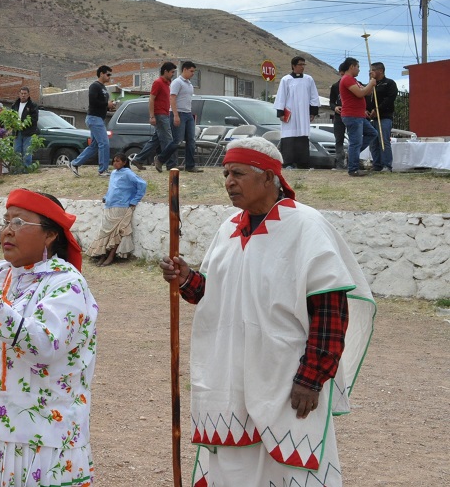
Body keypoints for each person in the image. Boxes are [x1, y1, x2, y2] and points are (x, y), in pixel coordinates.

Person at [160, 137, 375, 486]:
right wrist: (188, 279)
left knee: (289, 470)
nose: (228, 181)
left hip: (285, 380)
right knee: (233, 470)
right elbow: (218, 295)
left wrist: (312, 377)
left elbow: (330, 309)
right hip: (228, 380)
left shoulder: (306, 226)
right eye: (226, 173)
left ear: (269, 177)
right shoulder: (228, 228)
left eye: (238, 173)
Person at [0, 189, 97, 487]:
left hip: (41, 439)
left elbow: (46, 345)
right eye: (5, 221)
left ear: (50, 235)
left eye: (19, 222)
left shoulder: (67, 285)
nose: (7, 230)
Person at [86, 153, 147, 265]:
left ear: (124, 162)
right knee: (104, 232)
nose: (115, 163)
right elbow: (113, 188)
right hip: (109, 205)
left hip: (122, 206)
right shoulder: (113, 173)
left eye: (118, 161)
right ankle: (102, 255)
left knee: (117, 233)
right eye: (114, 161)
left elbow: (142, 184)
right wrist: (106, 197)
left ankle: (111, 256)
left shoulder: (128, 173)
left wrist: (134, 200)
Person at [69, 65, 116, 177]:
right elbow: (93, 101)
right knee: (104, 143)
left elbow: (101, 104)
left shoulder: (103, 88)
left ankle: (75, 163)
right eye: (107, 74)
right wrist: (106, 104)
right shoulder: (94, 86)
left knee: (94, 145)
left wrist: (110, 106)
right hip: (94, 118)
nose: (109, 77)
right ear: (101, 74)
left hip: (98, 119)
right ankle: (103, 170)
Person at [273, 56, 319, 169]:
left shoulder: (309, 79)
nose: (302, 67)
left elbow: (314, 96)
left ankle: (303, 163)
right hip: (290, 114)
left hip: (303, 113)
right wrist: (281, 113)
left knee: (303, 137)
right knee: (289, 137)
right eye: (300, 64)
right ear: (293, 66)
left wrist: (313, 112)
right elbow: (281, 97)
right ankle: (288, 163)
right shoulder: (286, 79)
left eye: (304, 64)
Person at [131, 62, 177, 172]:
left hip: (165, 114)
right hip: (160, 115)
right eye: (172, 72)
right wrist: (152, 116)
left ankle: (138, 159)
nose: (173, 74)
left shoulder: (167, 84)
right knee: (168, 140)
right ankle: (169, 164)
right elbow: (151, 99)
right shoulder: (158, 83)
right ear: (165, 71)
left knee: (155, 141)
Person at [338, 57, 378, 177]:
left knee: (372, 133)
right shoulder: (347, 79)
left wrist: (371, 81)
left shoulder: (354, 80)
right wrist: (371, 83)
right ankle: (353, 169)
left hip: (358, 115)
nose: (359, 70)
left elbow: (367, 92)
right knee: (355, 142)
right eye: (358, 67)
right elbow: (360, 93)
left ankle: (352, 154)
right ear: (352, 67)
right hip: (352, 115)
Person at [159, 61, 202, 173]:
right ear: (185, 70)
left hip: (188, 114)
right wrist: (176, 115)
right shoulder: (177, 82)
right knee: (177, 141)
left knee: (191, 140)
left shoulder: (189, 84)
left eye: (194, 71)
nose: (193, 74)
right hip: (179, 113)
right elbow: (172, 98)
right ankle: (160, 159)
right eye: (191, 71)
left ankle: (190, 165)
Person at [366, 62, 397, 172]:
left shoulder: (389, 83)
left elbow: (389, 99)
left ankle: (387, 165)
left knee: (383, 141)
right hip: (372, 118)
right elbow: (366, 98)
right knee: (373, 142)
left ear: (380, 71)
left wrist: (378, 109)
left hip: (384, 117)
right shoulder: (371, 85)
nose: (370, 72)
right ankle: (377, 164)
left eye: (373, 70)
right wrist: (367, 110)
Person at [10, 86, 39, 170]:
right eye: (22, 93)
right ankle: (17, 169)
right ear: (19, 94)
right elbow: (11, 117)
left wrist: (24, 124)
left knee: (27, 152)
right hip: (17, 132)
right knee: (16, 151)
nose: (23, 95)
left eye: (25, 94)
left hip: (28, 133)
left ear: (28, 94)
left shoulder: (32, 105)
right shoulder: (15, 105)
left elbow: (34, 119)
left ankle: (26, 169)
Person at [328, 61, 350, 170]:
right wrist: (335, 107)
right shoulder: (335, 86)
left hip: (351, 115)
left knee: (354, 140)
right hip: (339, 116)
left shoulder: (356, 84)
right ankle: (340, 164)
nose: (343, 76)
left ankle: (351, 162)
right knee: (339, 140)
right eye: (341, 73)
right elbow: (331, 102)